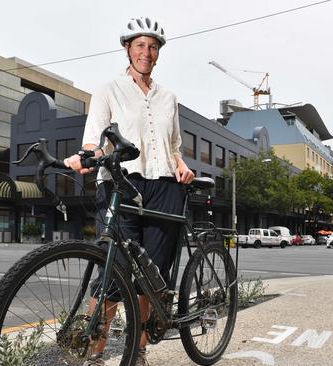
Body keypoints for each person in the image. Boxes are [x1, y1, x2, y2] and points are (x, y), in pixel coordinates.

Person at [64, 16, 194, 366]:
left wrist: (180, 165)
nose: (146, 52)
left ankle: (137, 352)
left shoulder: (169, 96)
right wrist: (85, 157)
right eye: (140, 45)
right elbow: (94, 138)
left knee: (149, 276)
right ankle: (94, 354)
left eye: (153, 47)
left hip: (164, 187)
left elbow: (174, 145)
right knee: (113, 273)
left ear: (158, 53)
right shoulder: (108, 89)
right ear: (128, 49)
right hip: (122, 182)